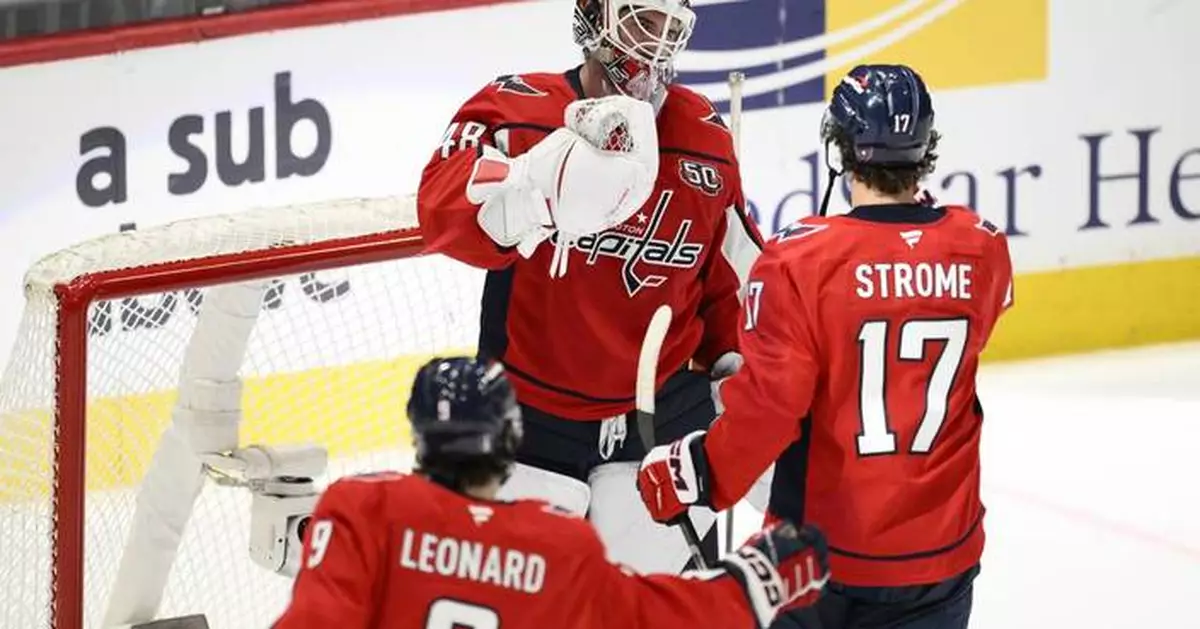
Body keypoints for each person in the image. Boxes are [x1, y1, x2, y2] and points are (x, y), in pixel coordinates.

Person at [635, 64, 1015, 629]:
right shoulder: (981, 247)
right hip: (942, 557)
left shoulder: (799, 261)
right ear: (925, 147)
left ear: (839, 150)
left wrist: (697, 471)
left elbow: (770, 411)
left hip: (821, 562)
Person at [416, 0, 763, 573]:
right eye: (641, 21)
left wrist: (743, 373)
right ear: (593, 15)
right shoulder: (520, 109)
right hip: (531, 420)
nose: (656, 45)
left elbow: (724, 277)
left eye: (669, 28)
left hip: (664, 418)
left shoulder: (702, 134)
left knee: (660, 610)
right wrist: (532, 189)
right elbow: (438, 208)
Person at [273, 356, 830, 629]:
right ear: (512, 436)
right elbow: (662, 614)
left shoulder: (364, 508)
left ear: (418, 434)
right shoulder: (555, 542)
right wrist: (758, 575)